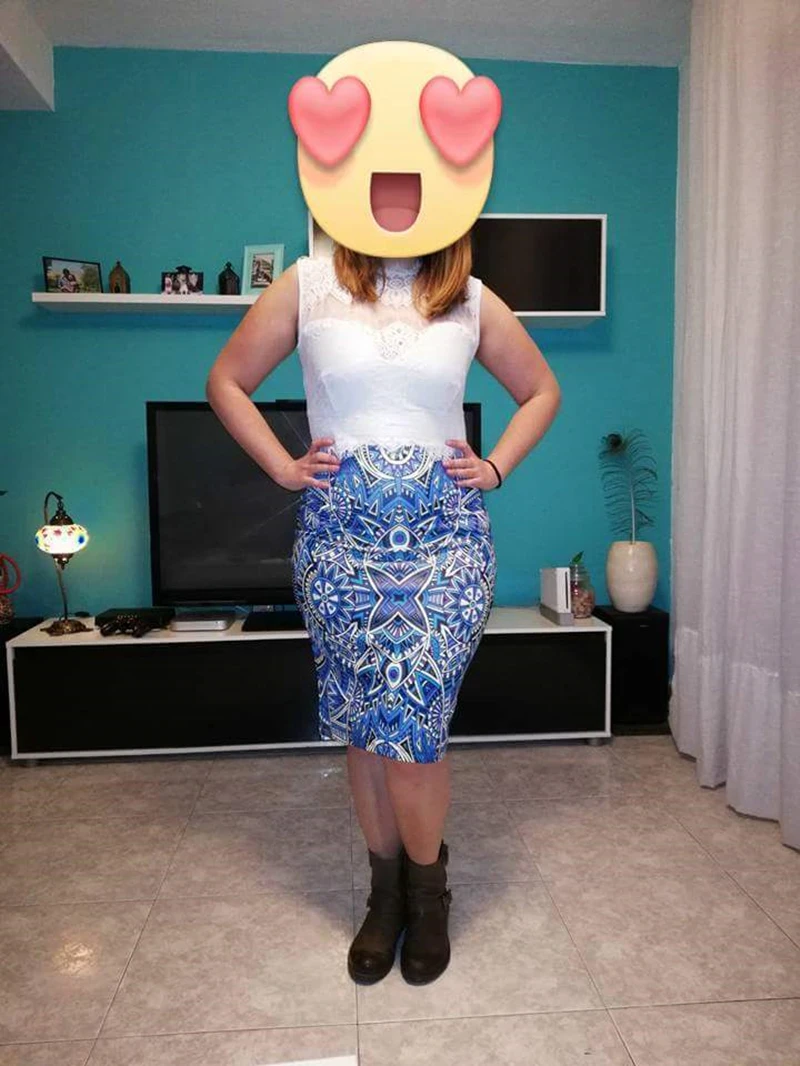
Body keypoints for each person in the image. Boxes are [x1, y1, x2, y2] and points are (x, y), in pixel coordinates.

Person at [206, 235, 561, 986]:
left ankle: (427, 897)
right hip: (339, 543)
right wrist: (283, 466)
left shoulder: (469, 296)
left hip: (446, 543)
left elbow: (542, 390)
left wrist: (494, 466)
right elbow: (226, 380)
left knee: (414, 722)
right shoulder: (307, 284)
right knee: (367, 724)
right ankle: (385, 895)